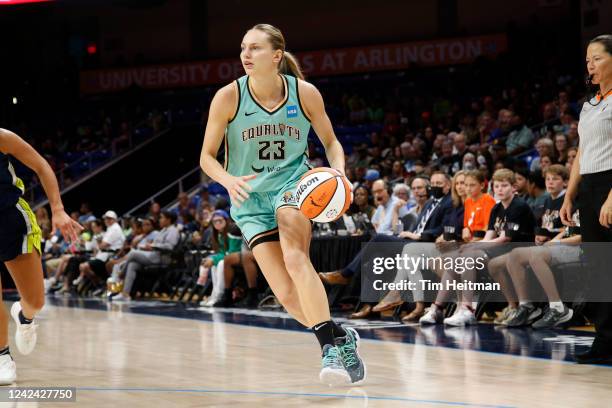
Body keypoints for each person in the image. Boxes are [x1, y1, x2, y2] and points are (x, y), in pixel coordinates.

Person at [199, 24, 365, 385]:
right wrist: (227, 179)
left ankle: (329, 350)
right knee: (286, 295)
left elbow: (332, 142)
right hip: (248, 200)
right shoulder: (228, 97)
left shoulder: (304, 94)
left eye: (255, 48)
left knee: (295, 257)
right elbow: (206, 157)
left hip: (293, 186)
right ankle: (340, 335)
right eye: (243, 47)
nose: (246, 54)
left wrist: (338, 173)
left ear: (276, 56)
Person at [0, 128, 82, 384]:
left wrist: (57, 209)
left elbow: (42, 165)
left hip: (11, 220)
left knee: (36, 301)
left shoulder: (2, 136)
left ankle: (25, 315)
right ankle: (2, 356)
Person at [560, 34, 612, 365]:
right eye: (587, 60)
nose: (590, 65)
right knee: (598, 270)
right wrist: (569, 196)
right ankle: (605, 342)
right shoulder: (590, 104)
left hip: (610, 184)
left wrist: (611, 197)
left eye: (597, 58)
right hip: (590, 188)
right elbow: (582, 153)